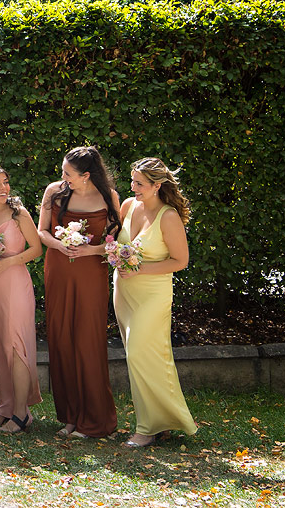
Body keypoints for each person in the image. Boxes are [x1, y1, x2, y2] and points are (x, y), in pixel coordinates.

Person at [37, 145, 120, 439]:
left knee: (88, 339)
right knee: (61, 338)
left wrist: (90, 250)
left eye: (68, 173)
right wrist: (59, 244)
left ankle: (96, 420)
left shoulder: (109, 197)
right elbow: (42, 232)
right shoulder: (54, 192)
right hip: (58, 269)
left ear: (86, 175)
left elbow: (117, 244)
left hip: (90, 273)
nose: (62, 177)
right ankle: (70, 417)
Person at [114, 158, 198, 448]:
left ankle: (147, 428)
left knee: (141, 353)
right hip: (124, 291)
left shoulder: (168, 216)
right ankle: (159, 422)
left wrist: (140, 269)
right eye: (133, 181)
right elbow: (117, 243)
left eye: (139, 183)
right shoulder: (128, 206)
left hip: (153, 293)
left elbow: (181, 261)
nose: (133, 187)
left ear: (157, 185)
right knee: (137, 356)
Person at [0, 164, 42, 433]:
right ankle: (4, 407)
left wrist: (8, 262)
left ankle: (21, 413)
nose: (4, 188)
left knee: (16, 345)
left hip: (15, 283)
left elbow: (36, 248)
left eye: (5, 182)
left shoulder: (18, 213)